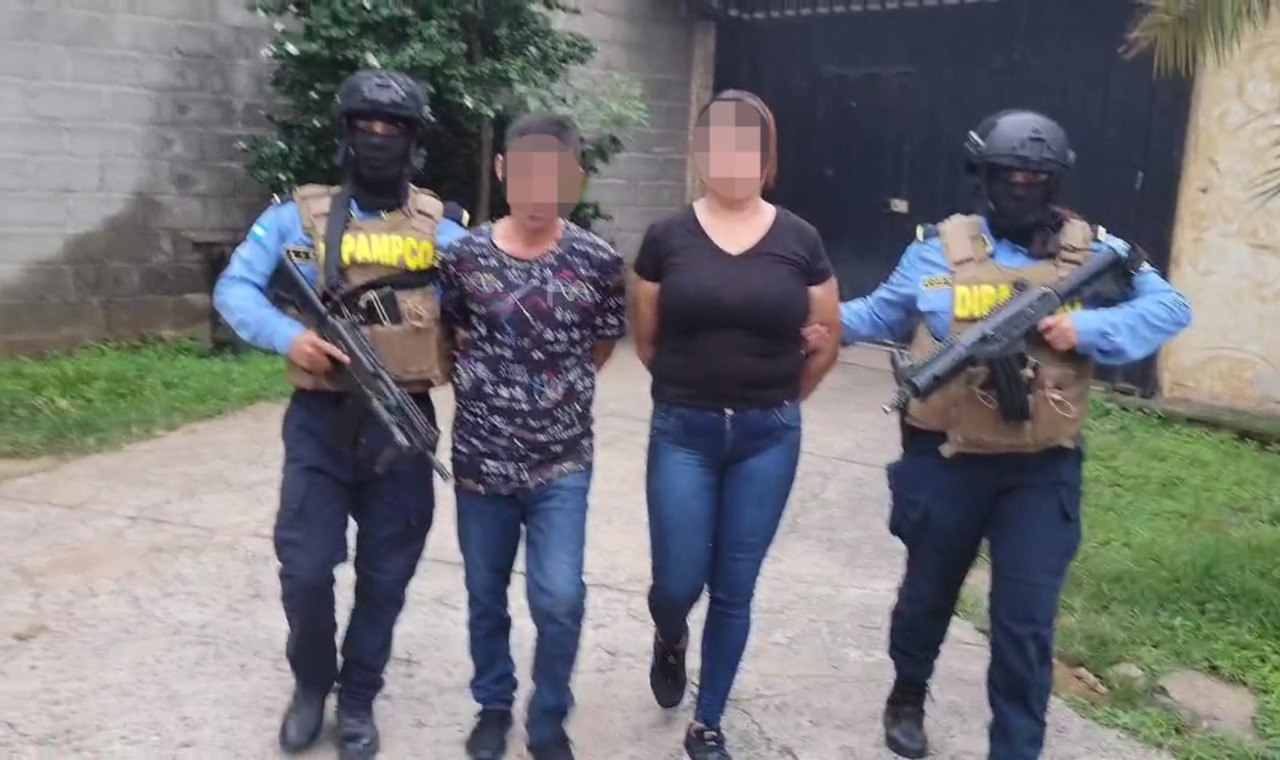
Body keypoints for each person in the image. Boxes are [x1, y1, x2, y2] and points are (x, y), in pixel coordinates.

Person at [812, 109, 1192, 759]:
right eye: (1008, 177)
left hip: (1041, 468)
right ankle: (908, 691)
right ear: (983, 178)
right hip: (945, 458)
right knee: (926, 598)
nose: (1021, 189)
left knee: (1025, 624)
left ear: (1055, 182)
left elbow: (1170, 307)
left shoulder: (1092, 252)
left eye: (1035, 179)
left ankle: (1016, 747)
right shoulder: (938, 248)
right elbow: (878, 313)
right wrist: (808, 318)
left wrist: (1085, 329)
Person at [212, 68, 468, 759]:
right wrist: (289, 337)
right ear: (346, 135)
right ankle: (310, 684)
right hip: (320, 421)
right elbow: (235, 289)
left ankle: (357, 697)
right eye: (366, 127)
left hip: (401, 421)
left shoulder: (444, 229)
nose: (379, 140)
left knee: (387, 573)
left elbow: (480, 305)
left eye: (394, 130)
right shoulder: (293, 218)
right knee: (304, 567)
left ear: (414, 141)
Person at [630, 89, 843, 760]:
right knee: (677, 582)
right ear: (700, 152)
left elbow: (827, 340)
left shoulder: (800, 240)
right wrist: (694, 386)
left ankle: (708, 722)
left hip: (767, 438)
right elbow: (647, 340)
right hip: (683, 433)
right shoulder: (666, 238)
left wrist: (778, 397)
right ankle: (670, 634)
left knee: (735, 586)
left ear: (766, 156)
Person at [437, 113, 627, 760]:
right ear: (502, 171)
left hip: (561, 461)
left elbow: (600, 346)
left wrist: (551, 393)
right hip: (480, 460)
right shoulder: (463, 257)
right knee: (485, 594)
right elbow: (451, 336)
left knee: (560, 597)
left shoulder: (598, 262)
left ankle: (549, 716)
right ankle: (493, 706)